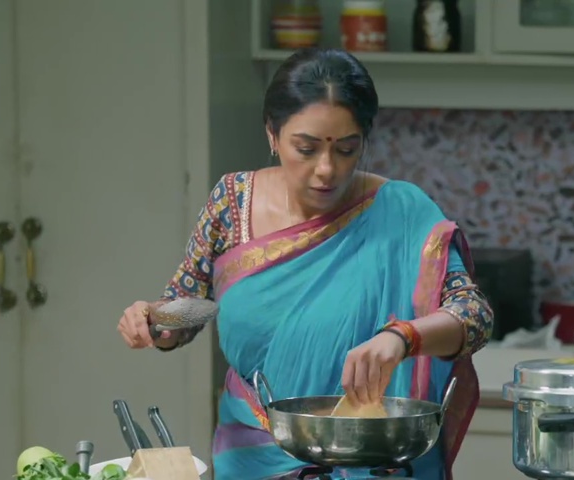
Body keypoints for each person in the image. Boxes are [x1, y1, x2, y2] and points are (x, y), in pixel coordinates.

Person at [116, 47, 493, 480]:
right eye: (306, 148)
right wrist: (154, 320)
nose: (326, 170)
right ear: (272, 134)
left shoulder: (401, 212)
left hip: (374, 459)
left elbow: (475, 317)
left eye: (347, 149)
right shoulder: (232, 203)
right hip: (254, 455)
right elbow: (188, 309)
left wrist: (402, 337)